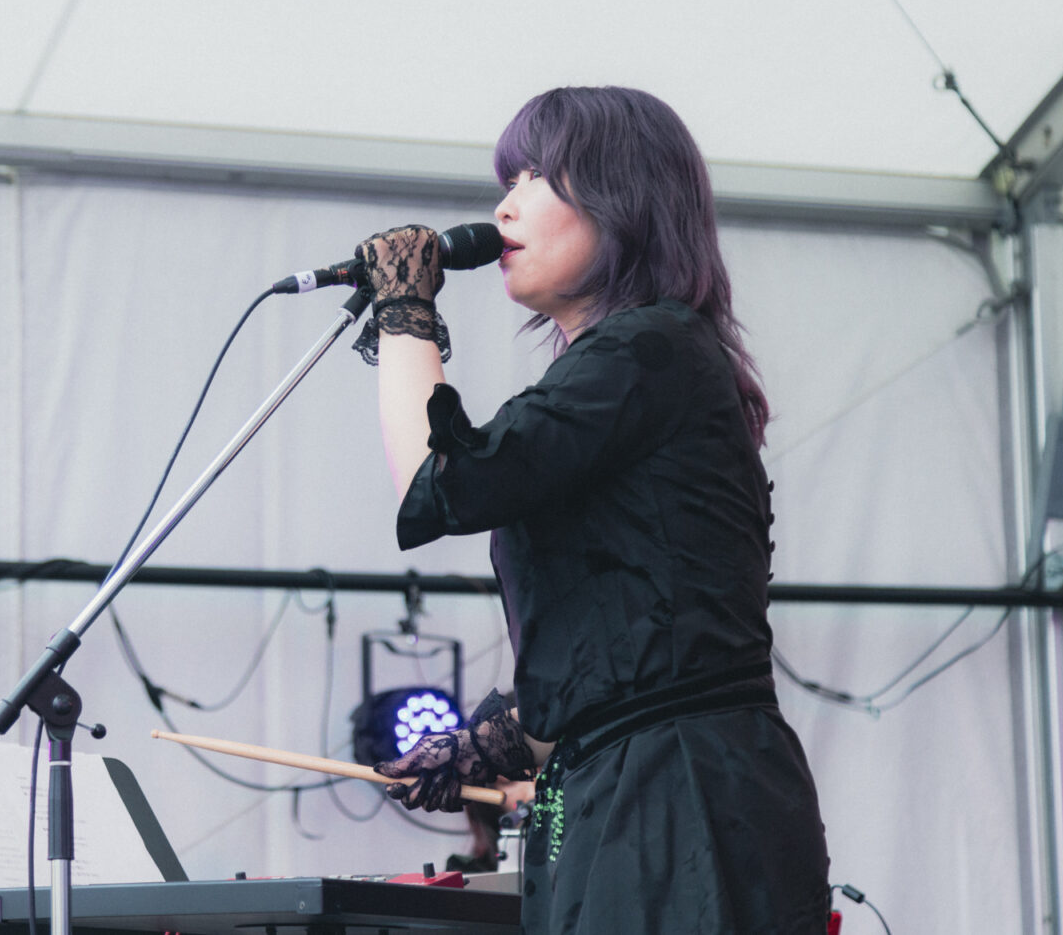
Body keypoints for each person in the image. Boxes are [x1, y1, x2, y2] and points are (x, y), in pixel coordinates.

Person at [355, 86, 830, 933]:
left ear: (623, 197)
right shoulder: (637, 365)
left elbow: (442, 483)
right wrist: (494, 742)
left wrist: (404, 313)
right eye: (506, 181)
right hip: (628, 786)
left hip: (680, 794)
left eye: (536, 175)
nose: (505, 206)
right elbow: (635, 637)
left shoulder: (650, 347)